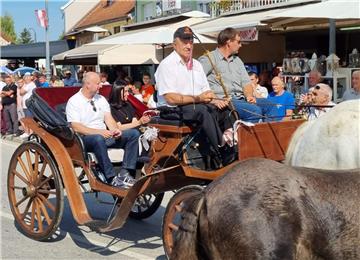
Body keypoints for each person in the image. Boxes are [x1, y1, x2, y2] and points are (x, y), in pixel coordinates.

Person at [155, 26, 235, 164]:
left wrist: (216, 100)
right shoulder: (166, 65)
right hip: (172, 109)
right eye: (185, 41)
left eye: (191, 41)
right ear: (175, 44)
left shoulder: (197, 64)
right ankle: (220, 150)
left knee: (226, 109)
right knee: (203, 111)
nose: (188, 45)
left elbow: (206, 91)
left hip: (196, 105)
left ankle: (232, 144)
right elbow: (171, 98)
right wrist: (200, 99)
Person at [66, 72, 139, 188]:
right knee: (98, 139)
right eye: (98, 83)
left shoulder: (101, 99)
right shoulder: (74, 101)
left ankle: (125, 172)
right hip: (85, 139)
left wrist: (115, 130)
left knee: (133, 134)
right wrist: (100, 132)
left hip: (104, 136)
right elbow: (76, 127)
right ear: (88, 84)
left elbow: (109, 119)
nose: (101, 86)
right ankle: (111, 177)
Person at [199, 27, 276, 123]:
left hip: (242, 99)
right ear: (229, 42)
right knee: (254, 111)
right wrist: (214, 99)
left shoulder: (237, 60)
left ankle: (266, 135)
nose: (241, 45)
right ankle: (245, 137)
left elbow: (246, 82)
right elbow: (198, 82)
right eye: (238, 42)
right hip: (226, 100)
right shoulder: (209, 59)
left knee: (271, 106)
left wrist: (249, 96)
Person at [18, 72, 37, 139]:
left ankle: (31, 133)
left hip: (29, 105)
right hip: (26, 106)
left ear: (29, 78)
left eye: (26, 77)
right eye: (25, 77)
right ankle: (28, 132)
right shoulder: (27, 85)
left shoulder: (30, 84)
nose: (25, 79)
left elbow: (21, 92)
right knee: (27, 119)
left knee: (30, 120)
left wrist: (23, 86)